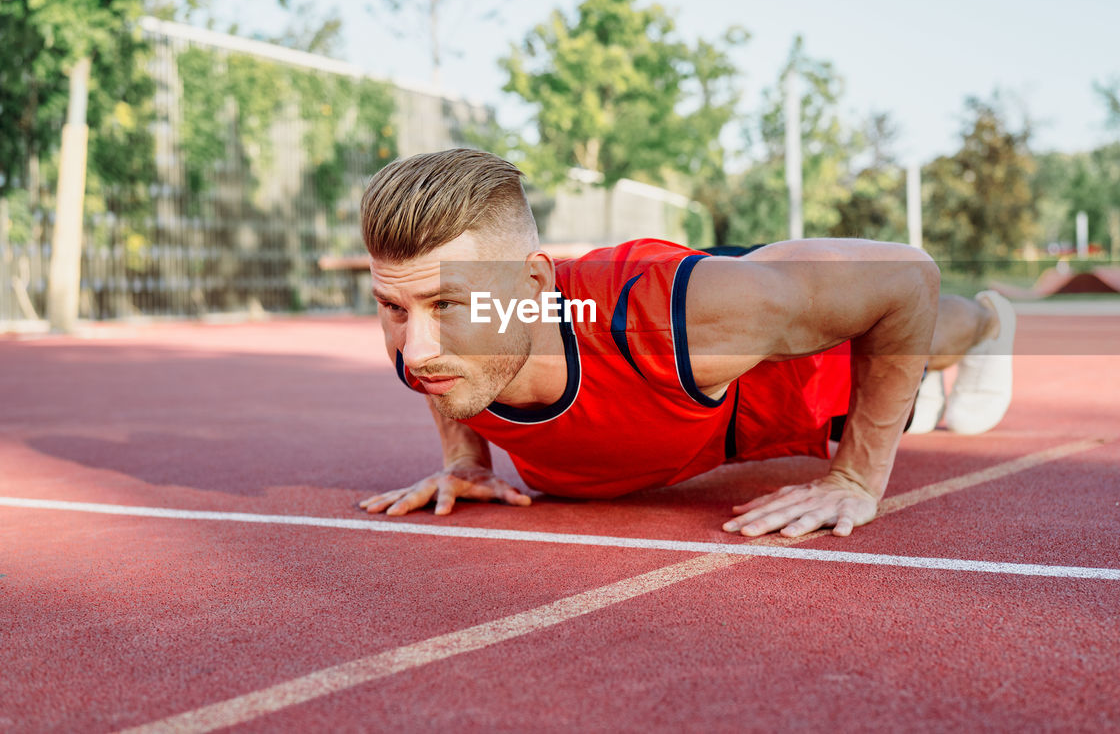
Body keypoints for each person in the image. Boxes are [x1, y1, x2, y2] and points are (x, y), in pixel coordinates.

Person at [356, 149, 1015, 538]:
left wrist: (857, 475)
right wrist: (467, 459)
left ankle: (989, 323)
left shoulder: (676, 320)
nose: (414, 352)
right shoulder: (430, 338)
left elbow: (906, 276)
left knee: (919, 342)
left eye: (447, 306)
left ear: (531, 285)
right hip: (697, 397)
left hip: (750, 365)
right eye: (392, 308)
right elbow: (432, 348)